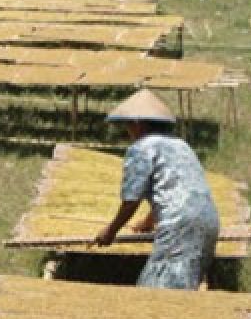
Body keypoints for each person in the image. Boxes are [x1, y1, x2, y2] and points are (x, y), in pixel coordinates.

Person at [93, 89, 220, 290]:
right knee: (185, 283)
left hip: (179, 224)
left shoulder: (141, 148)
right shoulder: (182, 146)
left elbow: (131, 201)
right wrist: (147, 222)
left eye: (128, 126)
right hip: (209, 219)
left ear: (137, 124)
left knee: (155, 289)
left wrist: (111, 230)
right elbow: (175, 191)